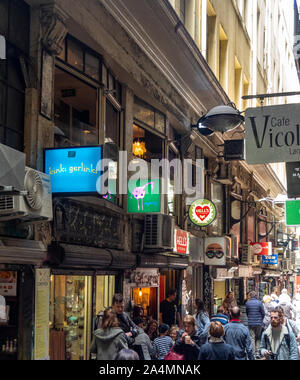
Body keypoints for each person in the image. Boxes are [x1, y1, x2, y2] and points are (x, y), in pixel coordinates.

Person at [246, 291, 265, 358]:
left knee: (252, 337)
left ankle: (253, 353)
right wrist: (261, 319)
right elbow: (263, 313)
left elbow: (247, 312)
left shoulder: (248, 303)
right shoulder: (260, 303)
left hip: (250, 322)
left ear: (250, 296)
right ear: (256, 296)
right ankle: (257, 352)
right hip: (259, 323)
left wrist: (250, 318)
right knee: (258, 337)